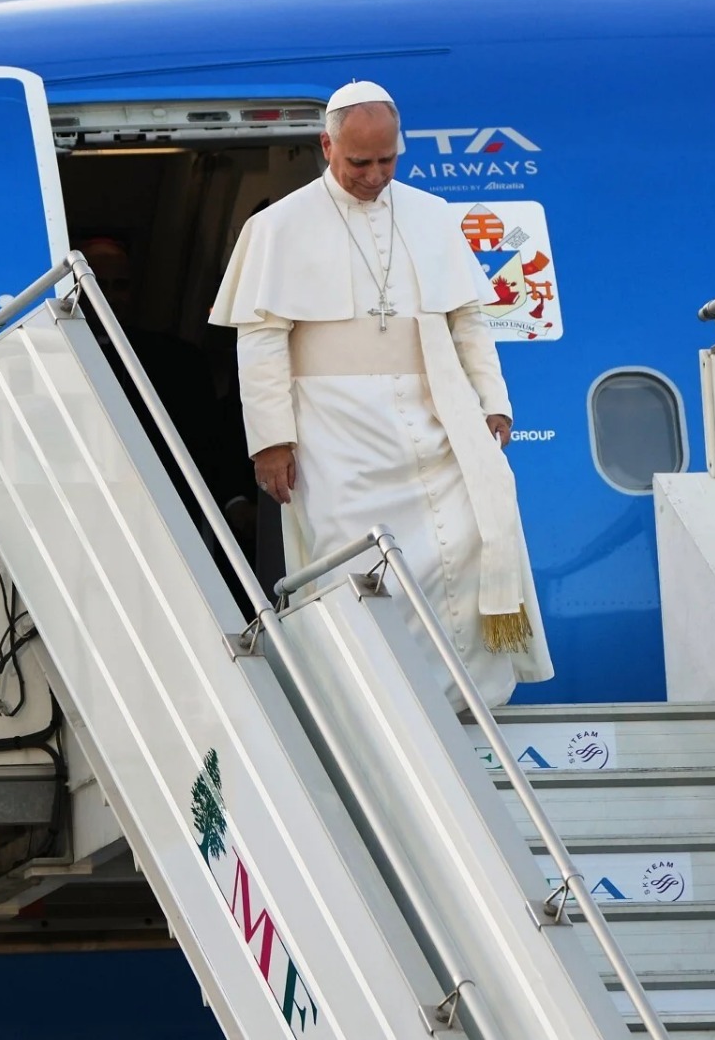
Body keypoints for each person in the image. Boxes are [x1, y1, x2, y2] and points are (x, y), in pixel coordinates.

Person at [208, 81, 552, 706]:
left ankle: (469, 696)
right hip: (336, 429)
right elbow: (259, 342)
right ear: (327, 147)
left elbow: (467, 320)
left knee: (472, 537)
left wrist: (493, 401)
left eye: (387, 161)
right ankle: (376, 698)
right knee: (355, 563)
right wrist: (271, 440)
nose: (374, 177)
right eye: (359, 163)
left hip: (434, 412)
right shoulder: (278, 226)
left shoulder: (431, 215)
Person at [79, 236, 256, 546]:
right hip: (82, 503)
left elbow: (209, 439)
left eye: (119, 285)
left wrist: (234, 500)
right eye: (98, 285)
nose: (108, 296)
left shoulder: (177, 360)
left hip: (160, 510)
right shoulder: (50, 356)